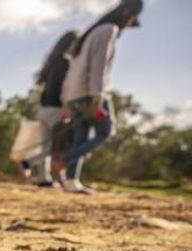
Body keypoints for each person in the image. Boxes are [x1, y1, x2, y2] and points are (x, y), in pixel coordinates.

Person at [60, 0, 144, 194]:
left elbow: (72, 71)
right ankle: (68, 159)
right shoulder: (109, 30)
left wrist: (66, 101)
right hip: (89, 94)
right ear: (128, 14)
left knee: (81, 137)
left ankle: (71, 181)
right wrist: (97, 97)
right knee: (105, 132)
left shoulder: (90, 34)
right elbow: (99, 66)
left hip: (74, 95)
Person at [29, 30, 80, 187]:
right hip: (57, 108)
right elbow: (66, 88)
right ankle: (61, 177)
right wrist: (67, 106)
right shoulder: (66, 62)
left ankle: (43, 178)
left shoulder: (52, 62)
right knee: (60, 144)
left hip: (44, 107)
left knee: (45, 144)